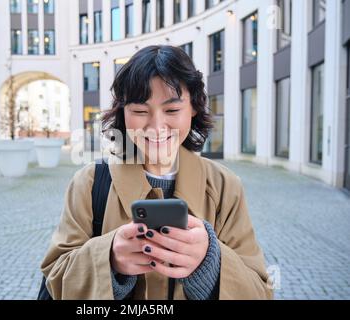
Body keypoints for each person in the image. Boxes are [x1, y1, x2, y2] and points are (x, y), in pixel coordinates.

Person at [40, 45, 273, 300]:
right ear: (123, 112)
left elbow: (260, 291)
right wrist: (109, 259)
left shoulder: (225, 186)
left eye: (172, 110)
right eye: (140, 111)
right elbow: (56, 277)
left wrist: (211, 263)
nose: (156, 127)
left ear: (193, 107)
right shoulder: (89, 182)